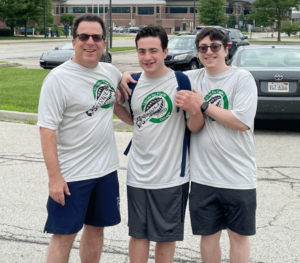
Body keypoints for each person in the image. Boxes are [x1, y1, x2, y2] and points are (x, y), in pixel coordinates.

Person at [120, 27, 258, 263]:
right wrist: (125, 74)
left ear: (226, 49)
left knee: (238, 235)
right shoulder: (191, 78)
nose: (209, 52)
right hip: (203, 177)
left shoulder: (241, 78)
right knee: (208, 236)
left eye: (215, 47)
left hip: (238, 175)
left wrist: (202, 105)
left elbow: (242, 122)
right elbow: (158, 71)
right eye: (203, 48)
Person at [114, 25, 204, 263]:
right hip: (137, 174)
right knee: (138, 235)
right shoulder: (131, 84)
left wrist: (195, 110)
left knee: (165, 237)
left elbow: (194, 127)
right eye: (141, 51)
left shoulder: (181, 81)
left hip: (171, 176)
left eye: (153, 50)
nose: (147, 57)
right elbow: (136, 122)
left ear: (165, 52)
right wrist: (115, 106)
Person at [37, 14, 123, 263]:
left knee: (96, 229)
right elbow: (46, 130)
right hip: (72, 174)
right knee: (64, 234)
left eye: (96, 37)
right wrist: (54, 177)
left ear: (104, 43)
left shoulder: (110, 71)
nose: (90, 42)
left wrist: (126, 76)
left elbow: (123, 84)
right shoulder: (58, 79)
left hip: (106, 170)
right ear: (73, 41)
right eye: (83, 36)